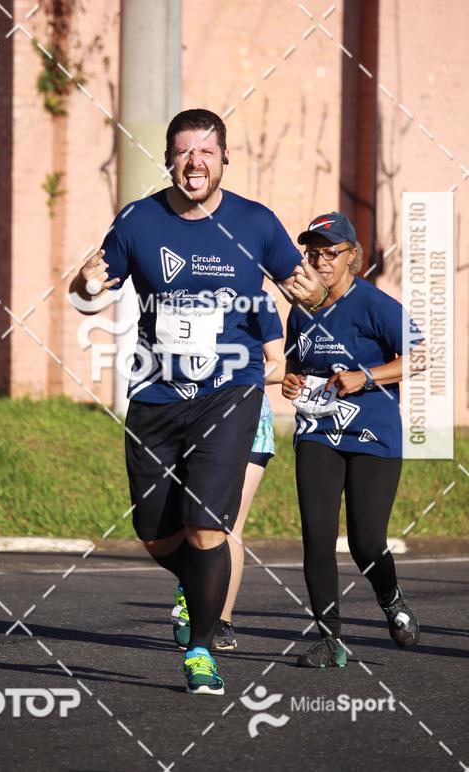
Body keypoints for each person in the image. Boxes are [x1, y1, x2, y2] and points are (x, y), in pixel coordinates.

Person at [70, 108, 325, 695]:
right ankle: (198, 585)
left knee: (208, 528)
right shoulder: (138, 220)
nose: (195, 162)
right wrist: (84, 284)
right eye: (184, 151)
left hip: (228, 394)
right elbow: (88, 288)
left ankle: (203, 648)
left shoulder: (256, 223)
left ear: (224, 159)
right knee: (156, 533)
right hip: (155, 394)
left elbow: (301, 287)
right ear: (168, 159)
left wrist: (310, 296)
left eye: (206, 152)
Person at [282, 211, 420, 669]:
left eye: (330, 252)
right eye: (313, 252)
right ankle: (329, 639)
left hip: (373, 435)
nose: (319, 260)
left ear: (351, 258)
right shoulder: (301, 311)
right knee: (317, 537)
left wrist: (365, 376)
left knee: (365, 540)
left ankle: (392, 599)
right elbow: (295, 369)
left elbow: (421, 358)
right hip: (318, 432)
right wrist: (290, 383)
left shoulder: (374, 304)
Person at [172, 309, 286, 653]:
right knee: (193, 522)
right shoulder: (191, 296)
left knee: (229, 524)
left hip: (248, 419)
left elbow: (278, 365)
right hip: (192, 417)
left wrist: (236, 377)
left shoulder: (260, 303)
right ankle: (189, 590)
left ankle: (221, 620)